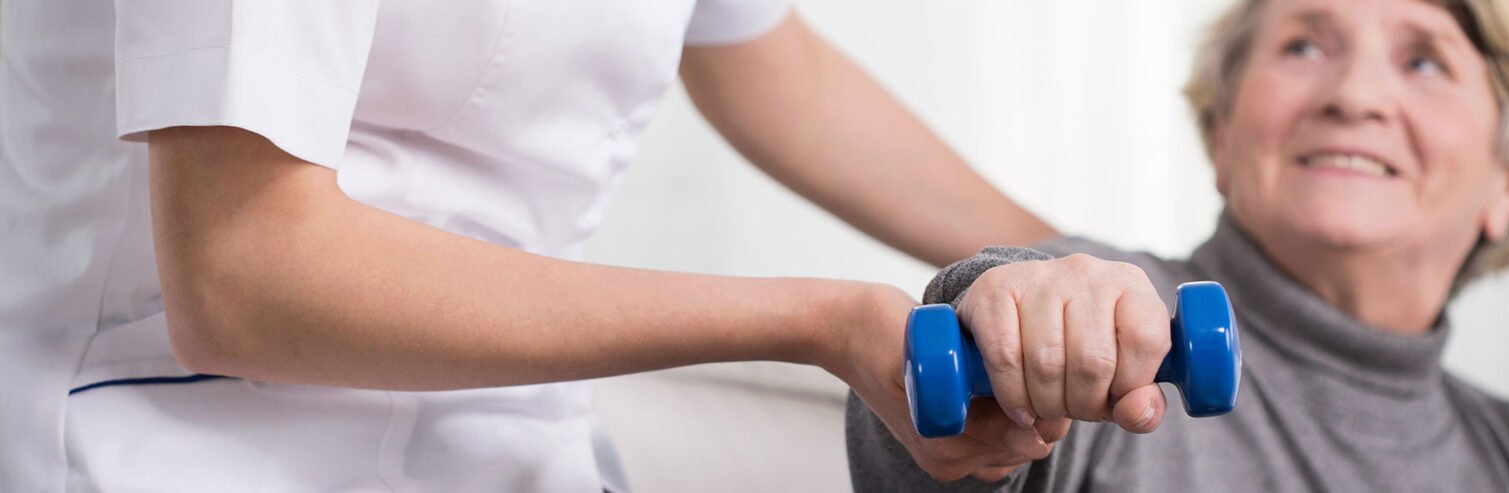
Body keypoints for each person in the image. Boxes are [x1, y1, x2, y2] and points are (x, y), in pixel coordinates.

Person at [0, 1, 1057, 491]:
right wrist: (823, 320)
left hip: (509, 447)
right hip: (176, 442)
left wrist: (1085, 265)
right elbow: (245, 273)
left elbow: (773, 66)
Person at [845, 0, 1509, 490]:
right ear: (1223, 137)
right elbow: (943, 428)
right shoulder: (1113, 316)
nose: (1355, 95)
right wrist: (996, 302)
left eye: (1425, 60)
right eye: (1304, 45)